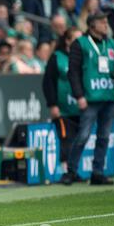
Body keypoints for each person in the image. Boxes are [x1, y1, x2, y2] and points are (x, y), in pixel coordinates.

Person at [64, 11, 114, 185]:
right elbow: (73, 72)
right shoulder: (80, 44)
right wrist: (79, 95)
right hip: (90, 97)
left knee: (104, 137)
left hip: (109, 96)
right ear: (92, 25)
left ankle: (98, 172)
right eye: (102, 22)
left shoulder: (111, 44)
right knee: (83, 135)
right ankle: (71, 171)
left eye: (106, 22)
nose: (106, 25)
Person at [42, 27, 82, 180]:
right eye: (75, 40)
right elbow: (48, 82)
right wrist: (52, 104)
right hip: (63, 108)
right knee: (66, 139)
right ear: (67, 41)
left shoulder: (83, 58)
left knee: (79, 140)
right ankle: (66, 171)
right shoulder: (57, 58)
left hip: (80, 107)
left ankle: (73, 170)